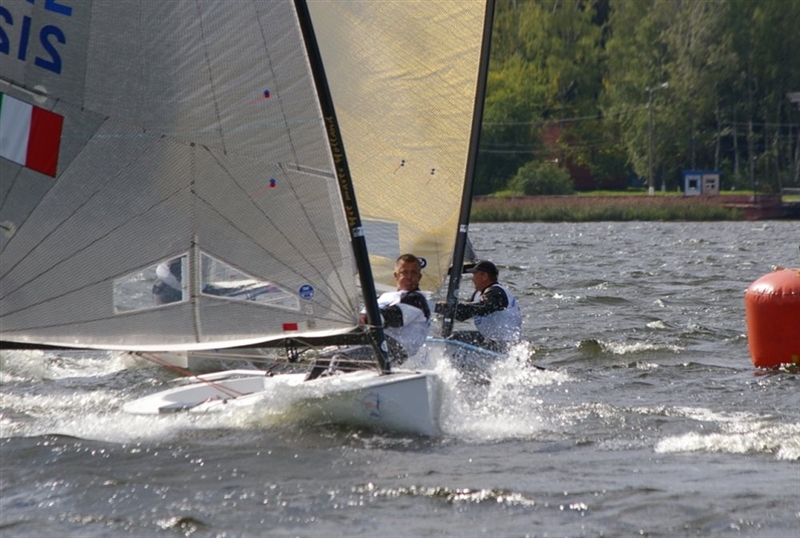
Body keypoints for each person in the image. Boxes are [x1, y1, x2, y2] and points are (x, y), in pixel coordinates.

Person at [305, 253, 431, 380]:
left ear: (419, 277)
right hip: (369, 341)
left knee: (340, 360)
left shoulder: (417, 300)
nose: (409, 277)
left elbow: (393, 317)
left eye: (413, 273)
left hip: (392, 349)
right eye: (404, 272)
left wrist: (365, 318)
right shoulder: (384, 297)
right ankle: (306, 388)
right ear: (396, 275)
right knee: (321, 360)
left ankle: (330, 387)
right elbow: (360, 320)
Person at [435, 260, 522, 354]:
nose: (472, 279)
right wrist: (443, 309)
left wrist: (452, 307)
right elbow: (464, 313)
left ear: (484, 276)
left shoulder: (497, 293)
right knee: (454, 336)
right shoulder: (478, 294)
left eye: (474, 275)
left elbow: (483, 307)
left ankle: (452, 361)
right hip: (489, 339)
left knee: (456, 338)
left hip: (505, 345)